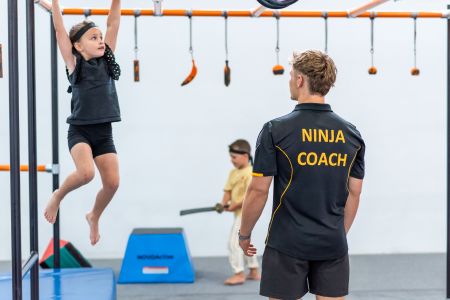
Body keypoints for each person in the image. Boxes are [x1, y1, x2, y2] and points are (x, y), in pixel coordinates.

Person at [238, 49, 365, 300]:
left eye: (290, 75)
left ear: (299, 80)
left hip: (287, 243)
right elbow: (355, 192)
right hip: (332, 243)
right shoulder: (352, 134)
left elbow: (258, 190)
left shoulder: (275, 130)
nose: (289, 81)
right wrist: (335, 236)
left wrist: (244, 234)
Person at [44, 0, 122, 246]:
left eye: (101, 37)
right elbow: (59, 30)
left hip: (103, 133)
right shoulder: (74, 64)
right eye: (93, 38)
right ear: (77, 45)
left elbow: (114, 22)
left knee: (112, 183)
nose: (100, 41)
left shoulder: (107, 62)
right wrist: (55, 3)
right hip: (80, 131)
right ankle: (58, 195)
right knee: (86, 173)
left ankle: (94, 215)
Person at [221, 140, 261, 285]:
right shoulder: (234, 173)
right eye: (231, 157)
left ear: (245, 155)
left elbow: (250, 198)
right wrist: (223, 204)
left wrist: (234, 206)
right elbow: (228, 190)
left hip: (245, 214)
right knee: (245, 242)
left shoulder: (251, 172)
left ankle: (238, 274)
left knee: (234, 243)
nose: (232, 161)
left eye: (234, 157)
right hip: (237, 214)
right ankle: (254, 271)